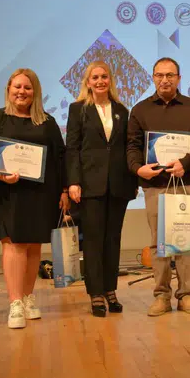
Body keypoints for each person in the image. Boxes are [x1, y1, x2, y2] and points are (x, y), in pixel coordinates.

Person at [0, 68, 68, 328]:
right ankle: (15, 303)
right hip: (7, 192)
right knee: (14, 245)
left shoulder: (47, 122)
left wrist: (63, 190)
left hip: (40, 194)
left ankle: (28, 297)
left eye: (27, 87)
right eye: (17, 87)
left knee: (33, 246)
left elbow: (60, 157)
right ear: (8, 89)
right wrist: (0, 173)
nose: (22, 92)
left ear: (35, 92)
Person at [127, 57, 190, 316]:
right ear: (153, 78)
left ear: (179, 78)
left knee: (184, 241)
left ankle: (186, 295)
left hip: (186, 183)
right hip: (155, 186)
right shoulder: (140, 110)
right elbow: (131, 146)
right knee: (158, 242)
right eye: (159, 75)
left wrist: (186, 163)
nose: (165, 80)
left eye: (170, 75)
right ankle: (161, 296)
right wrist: (137, 168)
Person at [66, 61, 136, 317]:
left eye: (104, 76)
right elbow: (72, 149)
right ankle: (95, 293)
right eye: (94, 77)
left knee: (112, 240)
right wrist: (73, 181)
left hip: (118, 184)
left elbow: (128, 148)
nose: (100, 81)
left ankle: (110, 290)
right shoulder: (78, 110)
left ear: (110, 80)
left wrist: (133, 181)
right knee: (94, 240)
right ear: (87, 82)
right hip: (89, 185)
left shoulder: (121, 110)